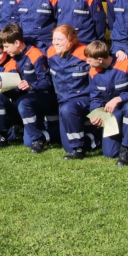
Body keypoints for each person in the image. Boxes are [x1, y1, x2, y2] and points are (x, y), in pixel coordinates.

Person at [0, 23, 53, 152]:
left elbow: (47, 82)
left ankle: (37, 140)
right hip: (18, 98)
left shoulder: (36, 56)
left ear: (17, 43)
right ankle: (1, 137)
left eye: (6, 46)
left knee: (24, 104)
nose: (4, 50)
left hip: (36, 97)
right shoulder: (14, 54)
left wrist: (31, 86)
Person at [46, 24, 93, 160]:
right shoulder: (50, 52)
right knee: (67, 146)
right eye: (54, 39)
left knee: (73, 144)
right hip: (63, 103)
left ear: (71, 40)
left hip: (83, 99)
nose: (55, 43)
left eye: (60, 39)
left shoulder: (84, 52)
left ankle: (79, 149)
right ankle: (92, 137)